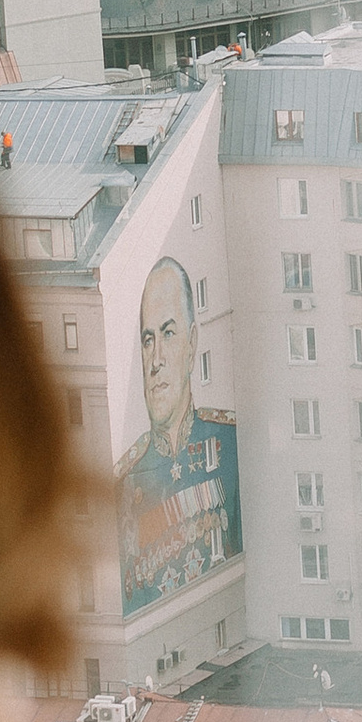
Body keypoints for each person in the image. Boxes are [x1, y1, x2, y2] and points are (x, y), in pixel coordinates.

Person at [117, 252, 240, 614]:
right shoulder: (123, 482)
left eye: (168, 334)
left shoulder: (230, 445)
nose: (155, 361)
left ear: (191, 345)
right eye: (147, 340)